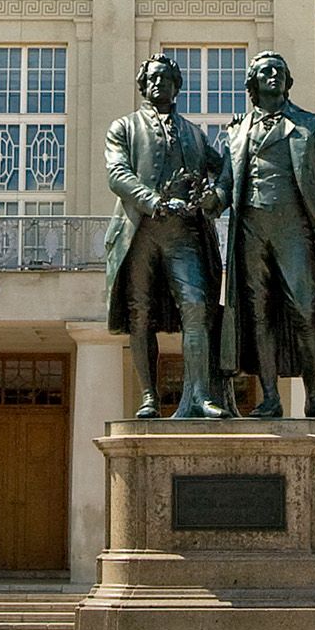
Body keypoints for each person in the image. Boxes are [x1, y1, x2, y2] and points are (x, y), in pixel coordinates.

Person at [212, 50, 315, 418]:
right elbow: (225, 186)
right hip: (251, 231)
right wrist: (210, 202)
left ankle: (314, 396)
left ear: (288, 82)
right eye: (265, 71)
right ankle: (270, 397)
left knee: (304, 310)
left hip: (295, 230)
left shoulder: (309, 125)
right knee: (259, 315)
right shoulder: (235, 132)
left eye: (279, 71)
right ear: (252, 84)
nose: (273, 75)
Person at [104, 54, 230, 419]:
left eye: (166, 78)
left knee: (197, 307)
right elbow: (117, 173)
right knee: (140, 314)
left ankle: (200, 395)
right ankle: (149, 396)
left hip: (184, 234)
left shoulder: (193, 133)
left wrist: (216, 197)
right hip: (140, 232)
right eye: (152, 79)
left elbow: (226, 171)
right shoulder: (124, 128)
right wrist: (154, 200)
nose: (159, 84)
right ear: (143, 87)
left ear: (176, 86)